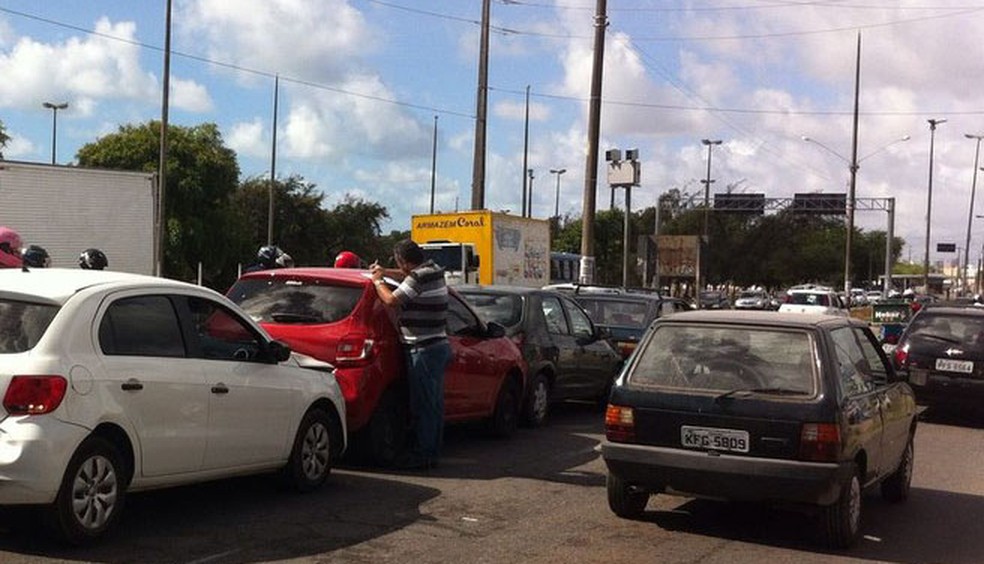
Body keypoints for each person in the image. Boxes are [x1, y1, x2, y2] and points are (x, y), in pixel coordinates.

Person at [370, 239, 451, 470]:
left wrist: (378, 281)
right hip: (436, 345)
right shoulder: (433, 270)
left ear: (403, 261)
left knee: (424, 406)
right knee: (433, 405)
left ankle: (423, 455)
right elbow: (407, 275)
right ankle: (431, 451)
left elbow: (391, 300)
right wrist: (385, 272)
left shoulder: (417, 278)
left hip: (423, 348)